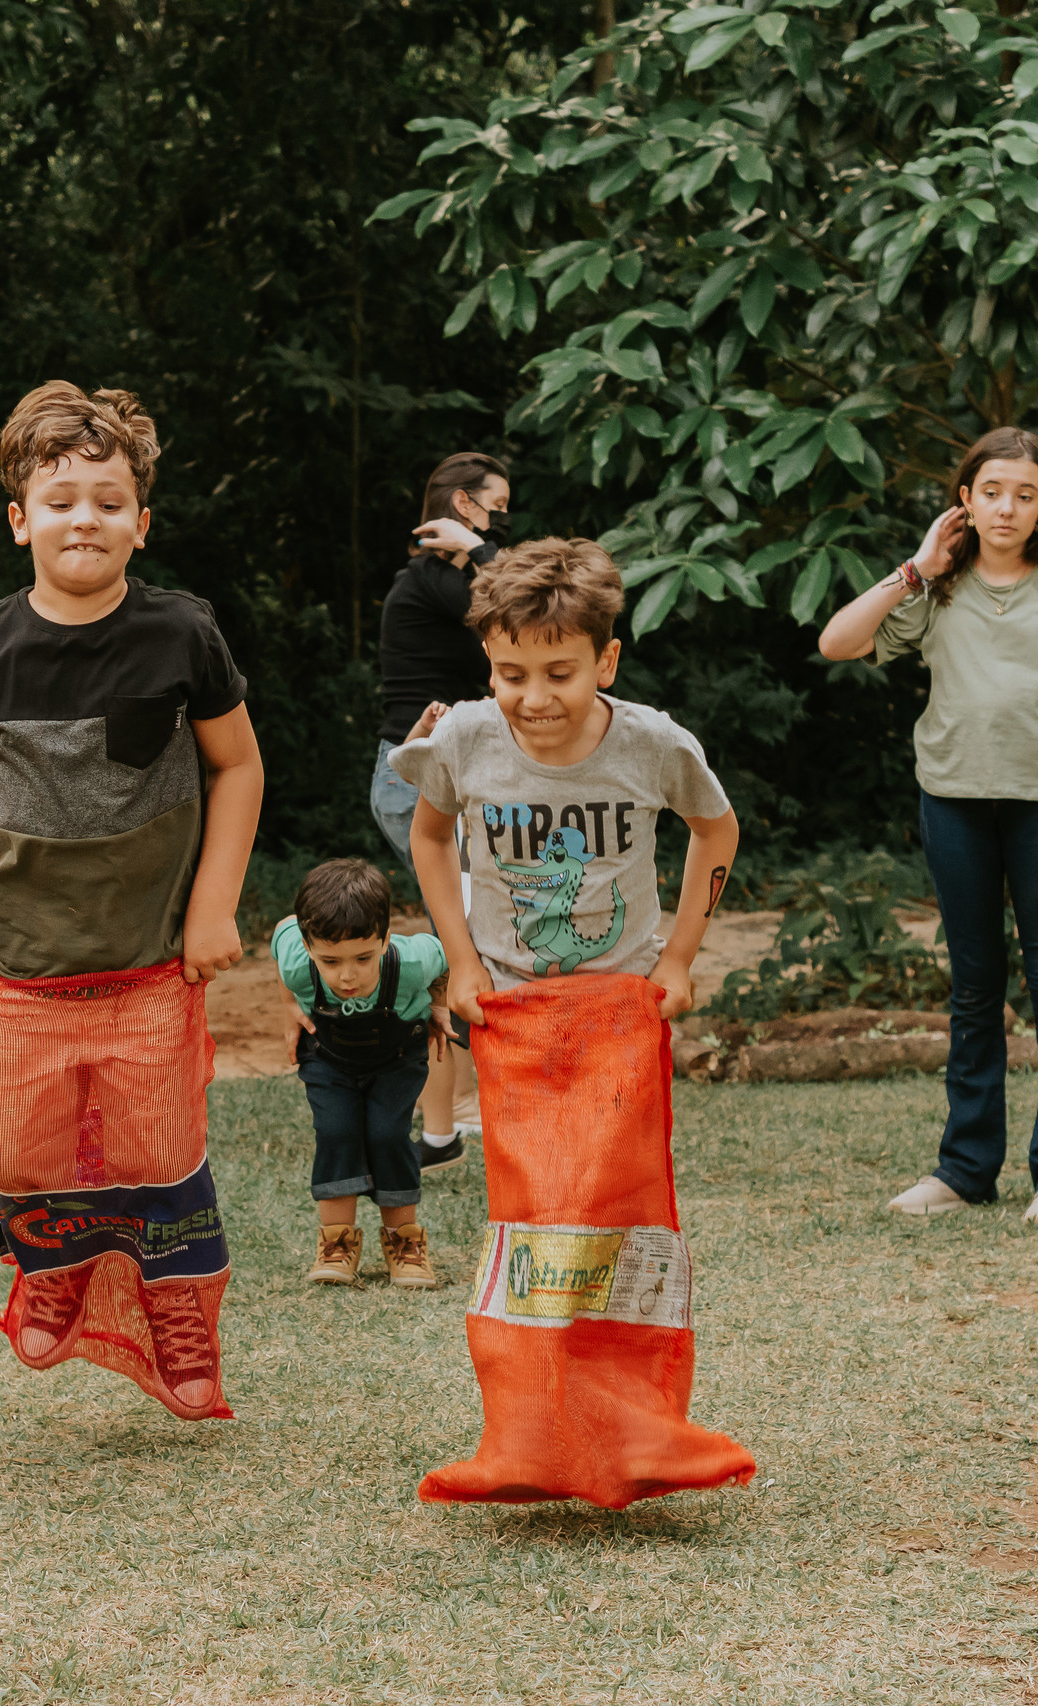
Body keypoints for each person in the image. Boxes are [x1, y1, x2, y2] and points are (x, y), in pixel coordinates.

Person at [0, 381, 264, 1420]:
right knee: (19, 1148)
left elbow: (237, 768)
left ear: (140, 525)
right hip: (20, 959)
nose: (85, 520)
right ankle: (53, 1267)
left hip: (150, 955)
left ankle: (178, 1313)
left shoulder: (181, 635)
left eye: (109, 502)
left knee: (158, 1151)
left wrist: (215, 904)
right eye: (61, 499)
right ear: (20, 518)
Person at [817, 426, 1038, 1228]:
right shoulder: (936, 588)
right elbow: (837, 642)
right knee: (974, 989)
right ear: (965, 502)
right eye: (992, 492)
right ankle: (966, 1168)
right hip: (952, 799)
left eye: (1025, 493)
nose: (1008, 507)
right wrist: (917, 565)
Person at [392, 536, 741, 1030]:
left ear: (606, 661)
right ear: (489, 661)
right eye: (512, 675)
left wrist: (679, 960)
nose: (535, 699)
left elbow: (717, 831)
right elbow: (429, 836)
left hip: (626, 998)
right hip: (505, 1000)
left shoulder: (653, 744)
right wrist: (463, 960)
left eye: (558, 674)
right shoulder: (463, 738)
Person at [373, 452, 508, 1168]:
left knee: (467, 946)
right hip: (419, 779)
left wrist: (478, 550)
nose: (505, 527)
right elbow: (531, 609)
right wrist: (480, 551)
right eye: (497, 511)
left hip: (431, 775)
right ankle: (449, 1126)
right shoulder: (434, 582)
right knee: (469, 950)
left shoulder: (441, 582)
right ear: (465, 505)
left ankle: (445, 1129)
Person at [273, 858, 450, 1289]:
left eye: (363, 958)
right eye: (330, 961)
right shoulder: (298, 962)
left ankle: (405, 1244)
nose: (347, 975)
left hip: (398, 1056)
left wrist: (439, 1005)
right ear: (309, 945)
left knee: (387, 1135)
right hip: (328, 1056)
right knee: (336, 1132)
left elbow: (444, 956)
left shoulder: (411, 963)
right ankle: (337, 1246)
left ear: (386, 940)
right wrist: (288, 1007)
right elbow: (282, 933)